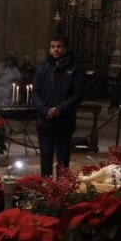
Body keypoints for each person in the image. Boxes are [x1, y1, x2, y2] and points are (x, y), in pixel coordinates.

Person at [32, 35, 85, 177]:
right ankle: (46, 188)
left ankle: (62, 189)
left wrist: (59, 109)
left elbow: (78, 94)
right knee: (46, 156)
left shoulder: (75, 67)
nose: (56, 49)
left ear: (65, 48)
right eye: (53, 46)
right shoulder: (44, 68)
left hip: (64, 120)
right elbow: (35, 92)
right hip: (45, 121)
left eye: (59, 46)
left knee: (63, 158)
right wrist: (44, 110)